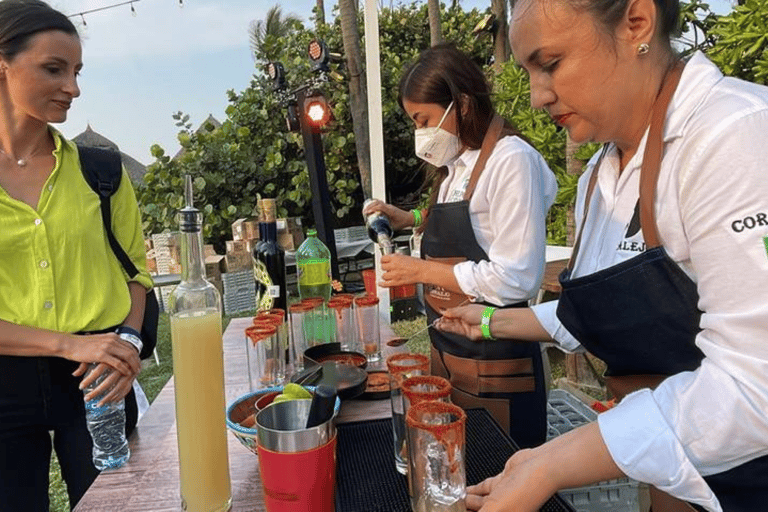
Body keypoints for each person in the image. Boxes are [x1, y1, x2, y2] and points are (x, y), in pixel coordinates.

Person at [437, 0, 768, 510]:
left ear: (637, 21)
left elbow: (755, 385)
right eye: (528, 72)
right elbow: (602, 315)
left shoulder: (734, 136)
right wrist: (488, 322)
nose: (536, 96)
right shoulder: (599, 176)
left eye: (550, 64)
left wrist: (554, 461)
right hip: (670, 486)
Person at [363, 43, 558, 448]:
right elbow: (472, 219)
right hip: (451, 353)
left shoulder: (511, 161)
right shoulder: (458, 167)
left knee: (502, 476)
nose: (422, 134)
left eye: (425, 119)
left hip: (497, 362)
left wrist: (419, 270)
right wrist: (410, 217)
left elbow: (517, 278)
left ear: (462, 104)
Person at [0, 1, 152, 509]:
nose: (74, 87)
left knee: (114, 502)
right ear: (3, 64)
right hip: (8, 380)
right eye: (54, 68)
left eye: (77, 71)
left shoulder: (101, 172)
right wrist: (68, 345)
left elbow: (137, 272)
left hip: (99, 380)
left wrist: (127, 340)